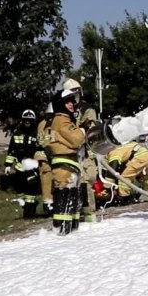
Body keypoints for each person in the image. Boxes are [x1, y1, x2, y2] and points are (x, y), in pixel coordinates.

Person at [47, 89, 86, 235]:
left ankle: (70, 229)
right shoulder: (61, 119)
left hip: (70, 164)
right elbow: (76, 139)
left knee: (72, 196)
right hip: (64, 166)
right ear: (60, 103)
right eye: (68, 101)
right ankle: (61, 231)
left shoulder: (66, 119)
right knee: (64, 196)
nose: (72, 104)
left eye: (72, 101)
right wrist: (82, 131)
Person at [62, 78, 99, 223]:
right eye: (71, 93)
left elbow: (90, 128)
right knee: (71, 182)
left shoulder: (86, 109)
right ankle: (74, 212)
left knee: (87, 179)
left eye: (76, 92)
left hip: (85, 151)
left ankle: (89, 213)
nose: (75, 95)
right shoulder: (62, 111)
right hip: (69, 152)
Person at [4, 110, 41, 218]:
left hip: (33, 167)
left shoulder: (37, 133)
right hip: (20, 167)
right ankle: (27, 207)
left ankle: (29, 213)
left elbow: (41, 148)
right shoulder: (17, 133)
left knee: (31, 190)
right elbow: (11, 150)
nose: (27, 122)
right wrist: (7, 165)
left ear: (33, 121)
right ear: (22, 120)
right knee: (19, 189)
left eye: (30, 121)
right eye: (26, 120)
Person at [35, 103, 55, 216]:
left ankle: (49, 206)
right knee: (47, 184)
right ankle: (48, 208)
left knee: (47, 185)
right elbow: (49, 143)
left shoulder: (41, 124)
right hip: (46, 158)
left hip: (45, 158)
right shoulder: (48, 125)